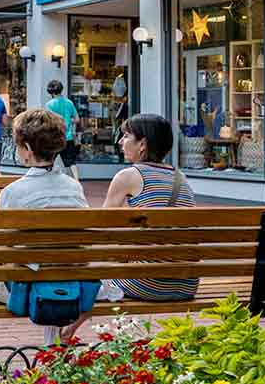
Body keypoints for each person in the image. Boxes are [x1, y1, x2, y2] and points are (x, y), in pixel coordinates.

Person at [0, 109, 91, 349]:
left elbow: (2, 247)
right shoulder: (74, 188)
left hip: (25, 289)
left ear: (29, 150)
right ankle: (49, 344)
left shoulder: (13, 191)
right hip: (66, 282)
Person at [60, 113, 198, 341]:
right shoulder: (180, 178)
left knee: (89, 273)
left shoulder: (128, 176)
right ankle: (69, 332)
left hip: (147, 284)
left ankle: (64, 334)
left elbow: (102, 231)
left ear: (142, 144)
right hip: (185, 283)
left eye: (126, 136)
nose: (120, 142)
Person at [45, 80, 81, 180]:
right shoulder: (69, 103)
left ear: (51, 92)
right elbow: (77, 119)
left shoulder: (49, 104)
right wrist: (69, 121)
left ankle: (48, 180)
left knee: (49, 160)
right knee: (71, 162)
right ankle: (77, 180)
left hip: (55, 137)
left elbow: (49, 122)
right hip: (68, 137)